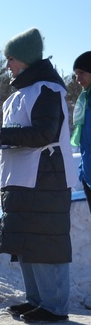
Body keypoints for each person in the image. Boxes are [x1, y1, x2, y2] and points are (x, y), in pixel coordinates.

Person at [0, 28, 77, 323]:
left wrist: (1, 136)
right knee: (28, 241)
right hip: (23, 178)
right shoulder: (21, 94)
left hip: (46, 176)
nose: (7, 64)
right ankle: (37, 300)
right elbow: (23, 133)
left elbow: (45, 132)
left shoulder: (46, 89)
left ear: (25, 59)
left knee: (46, 241)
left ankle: (54, 306)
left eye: (11, 58)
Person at [71, 51, 91, 213]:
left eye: (81, 73)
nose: (78, 78)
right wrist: (83, 173)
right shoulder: (84, 99)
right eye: (76, 74)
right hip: (88, 175)